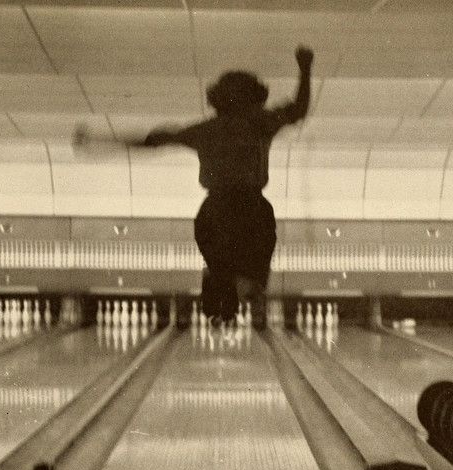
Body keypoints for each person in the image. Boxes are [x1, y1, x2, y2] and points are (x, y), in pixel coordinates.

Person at [73, 46, 314, 330]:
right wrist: (305, 68)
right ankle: (233, 292)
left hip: (215, 210)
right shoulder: (261, 123)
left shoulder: (206, 130)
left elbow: (152, 141)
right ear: (257, 98)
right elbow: (298, 109)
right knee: (252, 275)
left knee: (224, 268)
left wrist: (101, 143)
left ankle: (219, 290)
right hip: (252, 209)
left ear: (216, 99)